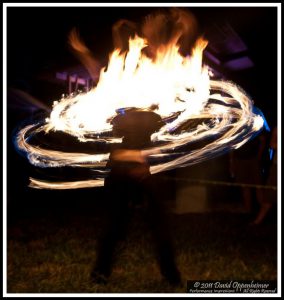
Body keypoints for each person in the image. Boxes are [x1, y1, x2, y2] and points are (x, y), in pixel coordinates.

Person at [91, 108, 181, 285]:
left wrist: (142, 160)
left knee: (157, 224)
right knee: (117, 223)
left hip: (141, 172)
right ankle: (100, 272)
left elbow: (161, 144)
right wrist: (140, 159)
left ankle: (171, 275)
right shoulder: (125, 116)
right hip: (129, 172)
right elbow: (116, 150)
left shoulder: (143, 116)